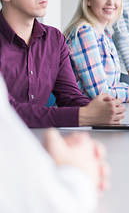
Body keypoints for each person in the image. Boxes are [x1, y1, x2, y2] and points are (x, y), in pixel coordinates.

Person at [0, 0, 125, 128]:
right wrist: (83, 116)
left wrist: (103, 109)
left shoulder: (53, 38)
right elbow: (6, 112)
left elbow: (70, 97)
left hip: (40, 143)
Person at [0, 74, 109, 213]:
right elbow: (52, 206)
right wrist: (80, 174)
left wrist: (98, 110)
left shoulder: (57, 50)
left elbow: (70, 95)